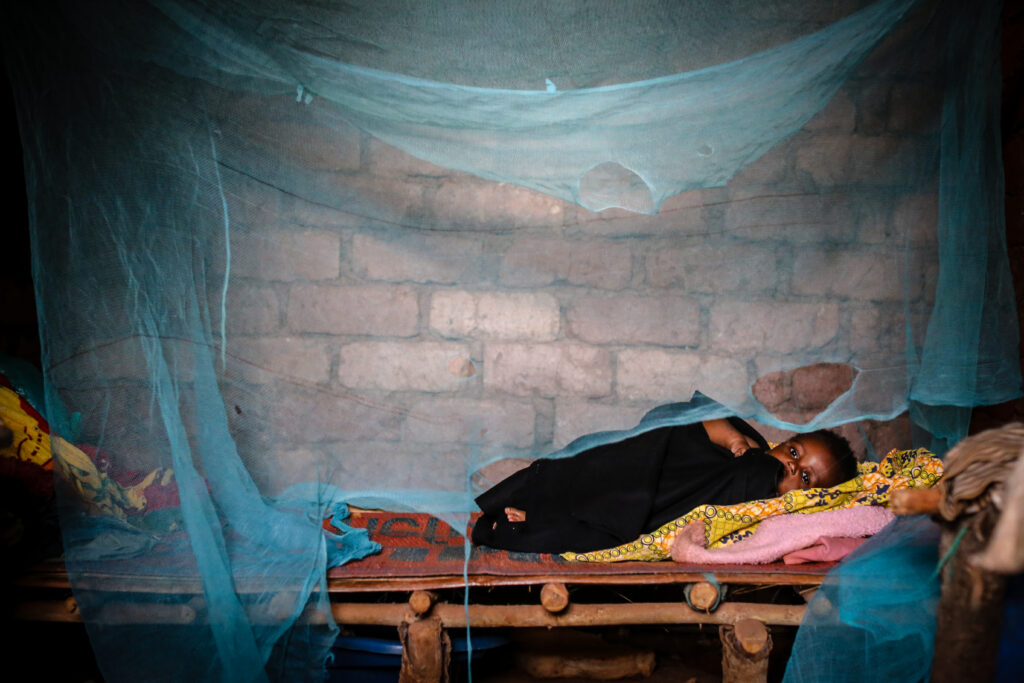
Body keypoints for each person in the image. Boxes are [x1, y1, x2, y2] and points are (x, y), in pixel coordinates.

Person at [471, 400, 858, 554]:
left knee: (596, 523)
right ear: (783, 441)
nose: (791, 466)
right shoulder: (755, 447)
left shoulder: (768, 493)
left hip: (643, 508)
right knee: (609, 457)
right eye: (793, 453)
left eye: (806, 478)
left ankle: (540, 516)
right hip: (633, 467)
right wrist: (731, 437)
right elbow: (690, 413)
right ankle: (541, 499)